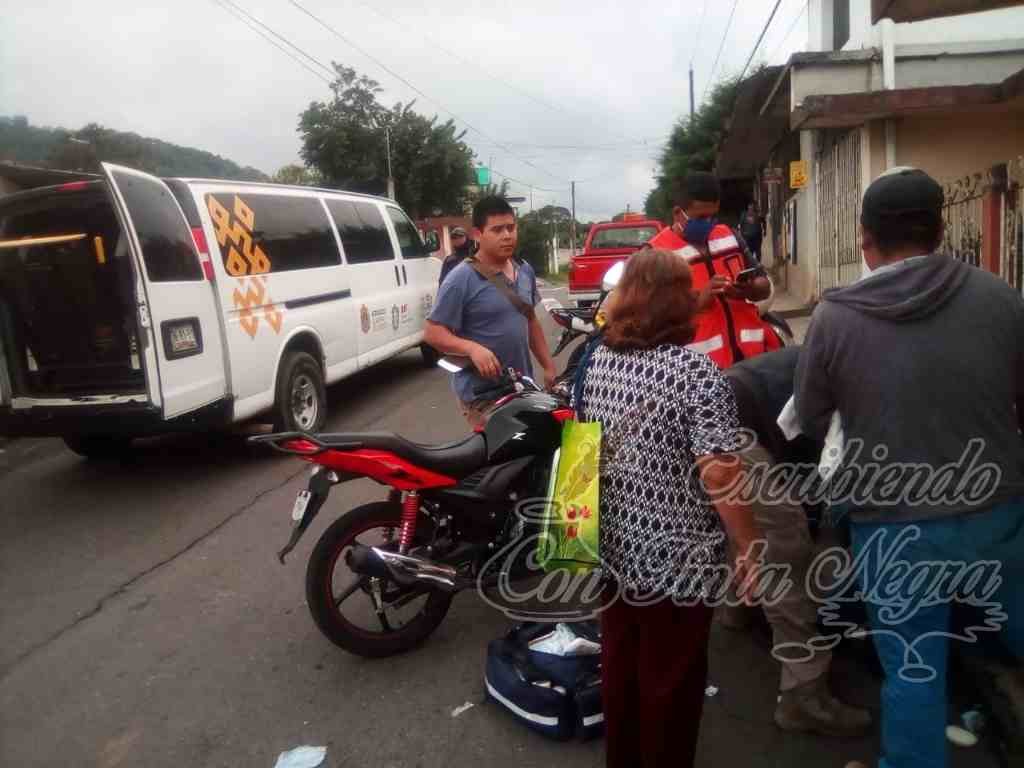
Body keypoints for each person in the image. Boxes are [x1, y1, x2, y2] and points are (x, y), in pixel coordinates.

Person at [795, 167, 1024, 768]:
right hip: (998, 510)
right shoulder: (1000, 296)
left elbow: (814, 413)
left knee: (915, 667)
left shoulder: (836, 317)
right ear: (942, 229)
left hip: (894, 524)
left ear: (865, 238)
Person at [576, 248, 759, 768]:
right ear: (679, 304)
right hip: (678, 561)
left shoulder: (598, 360)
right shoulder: (696, 373)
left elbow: (587, 452)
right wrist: (749, 545)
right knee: (671, 682)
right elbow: (721, 473)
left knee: (620, 665)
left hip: (612, 545)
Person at [723, 347, 872, 737]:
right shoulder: (870, 382)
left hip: (733, 416)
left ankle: (739, 609)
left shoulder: (859, 353)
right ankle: (802, 698)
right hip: (743, 431)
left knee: (751, 530)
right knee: (788, 556)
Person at [424, 196, 557, 428]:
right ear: (477, 234)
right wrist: (472, 348)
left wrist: (548, 366)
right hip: (482, 396)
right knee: (502, 460)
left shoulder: (524, 271)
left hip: (520, 387)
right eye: (497, 230)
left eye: (511, 228)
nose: (507, 235)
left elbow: (531, 320)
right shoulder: (461, 278)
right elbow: (433, 333)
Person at [648, 172, 779, 368]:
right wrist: (700, 300)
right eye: (701, 217)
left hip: (753, 360)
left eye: (712, 217)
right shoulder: (655, 254)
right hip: (699, 373)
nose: (708, 224)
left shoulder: (730, 236)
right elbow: (650, 319)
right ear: (678, 213)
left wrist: (748, 289)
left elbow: (764, 286)